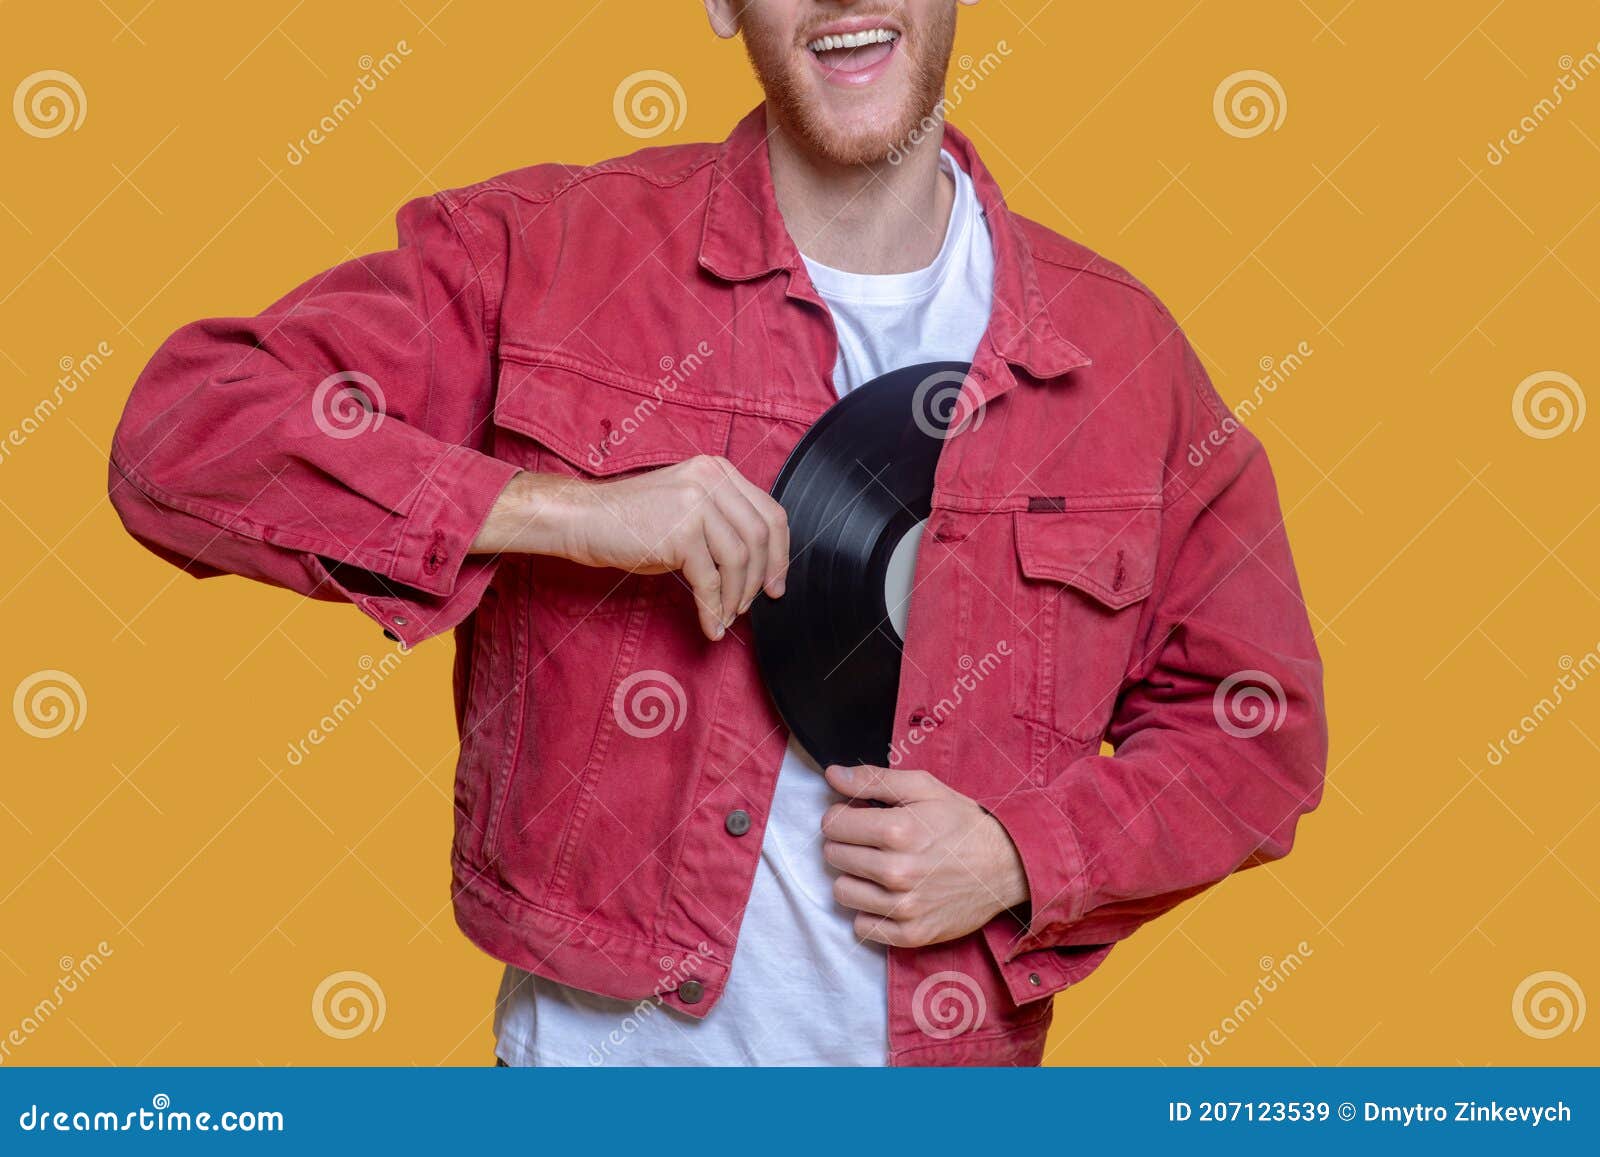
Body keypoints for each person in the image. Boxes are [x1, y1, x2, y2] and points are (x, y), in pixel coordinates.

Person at [108, 0, 1328, 1067]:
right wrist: (558, 513)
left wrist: (1023, 852)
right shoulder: (549, 255)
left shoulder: (1120, 358)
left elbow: (1253, 724)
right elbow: (184, 432)